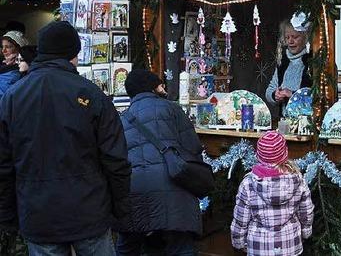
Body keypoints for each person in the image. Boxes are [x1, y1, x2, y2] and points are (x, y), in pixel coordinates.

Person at [0, 21, 131, 255]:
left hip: (38, 212)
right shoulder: (91, 94)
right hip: (89, 211)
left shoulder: (12, 97)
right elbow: (116, 159)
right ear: (73, 53)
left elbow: (4, 163)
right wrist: (121, 208)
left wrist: (9, 214)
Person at [115, 69, 203, 256]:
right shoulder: (172, 109)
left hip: (134, 192)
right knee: (181, 247)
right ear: (154, 87)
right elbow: (193, 148)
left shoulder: (121, 119)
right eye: (161, 85)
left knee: (128, 246)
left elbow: (116, 160)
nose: (164, 88)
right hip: (175, 190)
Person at [231, 131, 314, 255]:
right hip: (290, 244)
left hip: (259, 247)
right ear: (284, 154)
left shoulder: (248, 183)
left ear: (259, 155)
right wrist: (306, 231)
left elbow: (241, 218)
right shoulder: (297, 179)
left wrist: (238, 241)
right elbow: (306, 211)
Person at [265, 13, 312, 117]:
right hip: (285, 122)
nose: (290, 41)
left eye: (295, 37)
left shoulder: (313, 61)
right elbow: (270, 89)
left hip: (307, 123)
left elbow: (318, 97)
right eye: (287, 37)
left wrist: (292, 95)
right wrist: (275, 95)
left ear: (305, 37)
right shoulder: (283, 61)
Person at [0, 31, 29, 98]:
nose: (3, 51)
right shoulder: (5, 65)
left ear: (19, 49)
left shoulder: (18, 71)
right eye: (3, 47)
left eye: (8, 47)